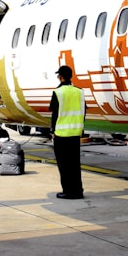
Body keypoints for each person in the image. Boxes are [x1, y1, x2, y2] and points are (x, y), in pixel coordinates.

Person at [49, 65, 84, 199]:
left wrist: (52, 130)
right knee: (75, 164)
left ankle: (68, 191)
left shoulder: (58, 92)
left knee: (64, 165)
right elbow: (83, 111)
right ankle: (78, 190)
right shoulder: (79, 92)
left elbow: (55, 113)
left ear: (61, 77)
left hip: (61, 134)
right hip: (75, 133)